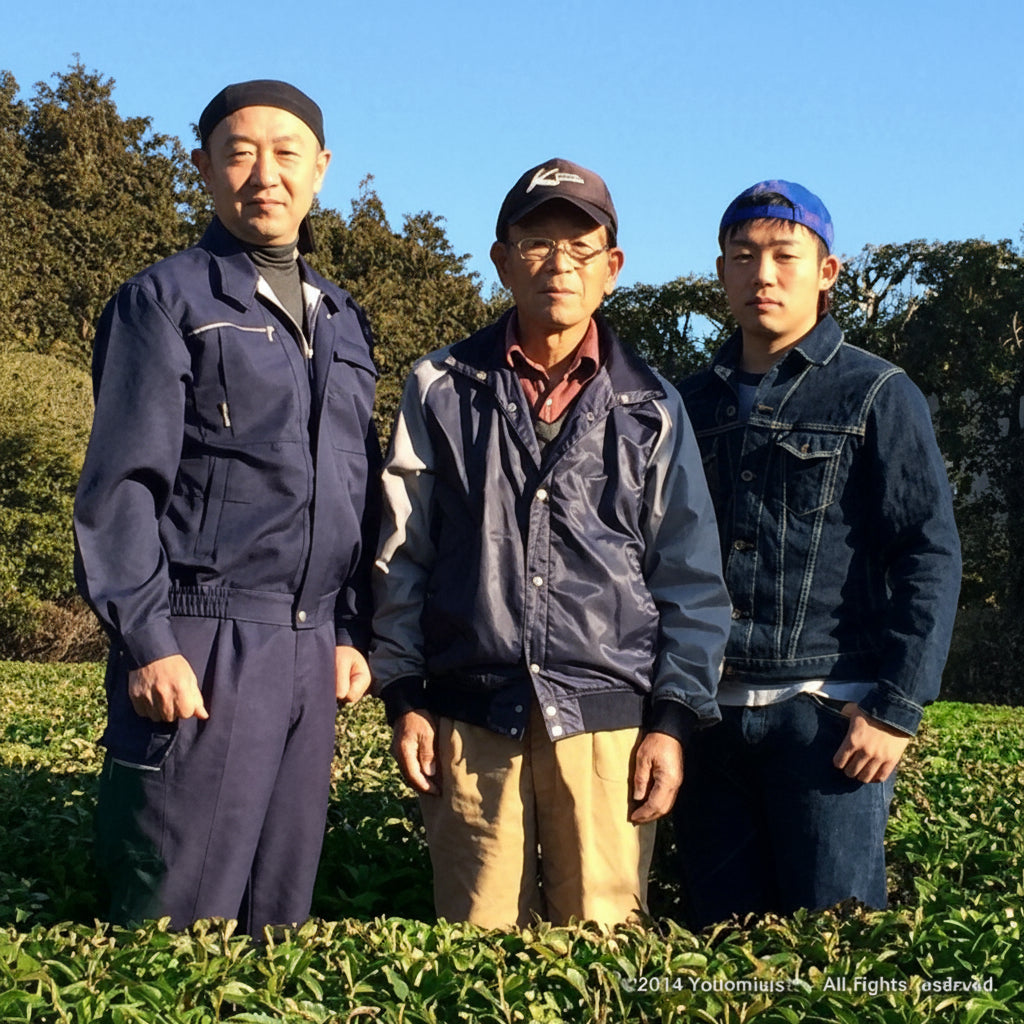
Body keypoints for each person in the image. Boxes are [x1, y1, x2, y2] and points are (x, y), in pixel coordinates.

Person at [370, 158, 731, 929]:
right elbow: (403, 553)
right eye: (536, 243)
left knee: (599, 951)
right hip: (470, 718)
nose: (558, 264)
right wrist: (403, 696)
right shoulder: (439, 386)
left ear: (613, 266)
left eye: (581, 246)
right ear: (502, 260)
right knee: (472, 949)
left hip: (607, 722)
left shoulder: (652, 407)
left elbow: (690, 578)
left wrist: (670, 722)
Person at [73, 80, 380, 935]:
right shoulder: (165, 301)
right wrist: (147, 640)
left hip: (311, 649)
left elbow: (354, 489)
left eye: (287, 154)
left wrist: (351, 630)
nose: (264, 174)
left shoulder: (344, 319)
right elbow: (122, 486)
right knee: (180, 918)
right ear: (203, 166)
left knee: (276, 920)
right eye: (239, 153)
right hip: (201, 640)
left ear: (321, 169)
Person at [675, 180, 961, 927]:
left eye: (782, 255)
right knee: (718, 960)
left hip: (829, 720)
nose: (762, 275)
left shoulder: (877, 392)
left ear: (827, 272)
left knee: (833, 961)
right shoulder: (684, 404)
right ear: (721, 272)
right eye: (743, 257)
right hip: (708, 725)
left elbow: (928, 553)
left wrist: (895, 710)